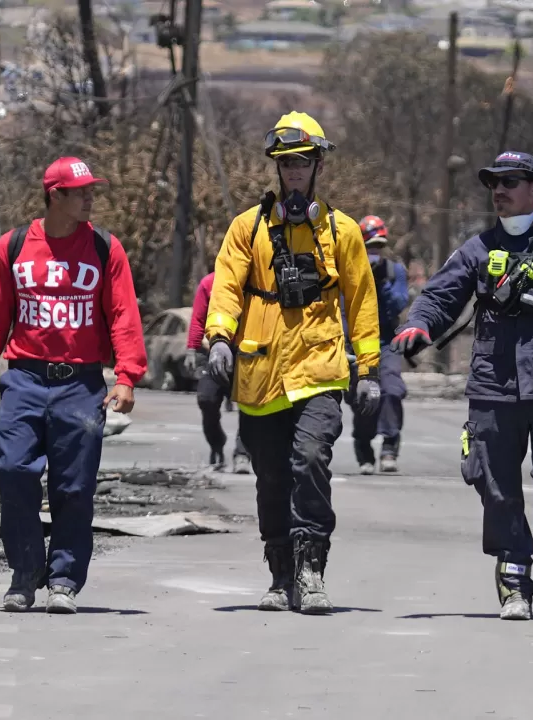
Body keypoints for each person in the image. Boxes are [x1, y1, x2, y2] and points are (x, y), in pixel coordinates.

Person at [390, 151, 533, 623]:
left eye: (511, 181)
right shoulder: (478, 248)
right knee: (495, 486)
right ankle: (513, 582)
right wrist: (419, 325)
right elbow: (440, 295)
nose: (499, 190)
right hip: (493, 386)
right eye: (494, 182)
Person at [204, 111, 382, 614]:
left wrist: (367, 370)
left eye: (303, 162)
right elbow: (227, 285)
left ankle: (311, 571)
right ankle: (281, 576)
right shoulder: (248, 228)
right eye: (286, 164)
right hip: (261, 376)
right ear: (276, 169)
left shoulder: (342, 231)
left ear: (318, 164)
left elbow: (362, 301)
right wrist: (218, 336)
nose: (295, 171)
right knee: (272, 480)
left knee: (309, 461)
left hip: (319, 371)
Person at [0, 156, 147, 615]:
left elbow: (123, 314)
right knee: (13, 469)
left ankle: (63, 579)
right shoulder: (13, 246)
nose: (89, 198)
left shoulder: (105, 248)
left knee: (74, 488)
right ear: (54, 195)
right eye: (79, 192)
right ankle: (25, 573)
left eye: (90, 191)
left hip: (80, 384)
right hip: (23, 379)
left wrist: (127, 375)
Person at [348, 215, 410, 474]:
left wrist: (382, 283)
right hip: (355, 344)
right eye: (369, 246)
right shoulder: (347, 271)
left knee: (392, 390)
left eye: (379, 247)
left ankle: (389, 446)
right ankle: (363, 448)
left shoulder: (395, 272)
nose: (374, 252)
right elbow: (340, 310)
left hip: (386, 341)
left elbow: (398, 304)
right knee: (361, 397)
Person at [186, 268, 252, 473]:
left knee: (250, 406)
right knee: (206, 399)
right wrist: (191, 349)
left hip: (246, 353)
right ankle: (217, 443)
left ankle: (243, 453)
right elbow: (198, 319)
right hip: (213, 350)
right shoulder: (209, 284)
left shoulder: (254, 282)